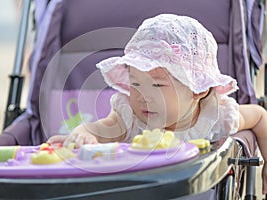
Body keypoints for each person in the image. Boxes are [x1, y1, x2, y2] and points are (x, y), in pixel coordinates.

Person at [48, 14, 267, 193]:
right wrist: (84, 133)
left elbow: (259, 116)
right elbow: (100, 129)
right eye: (135, 84)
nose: (143, 96)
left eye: (157, 86)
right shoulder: (129, 117)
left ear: (198, 90)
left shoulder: (214, 116)